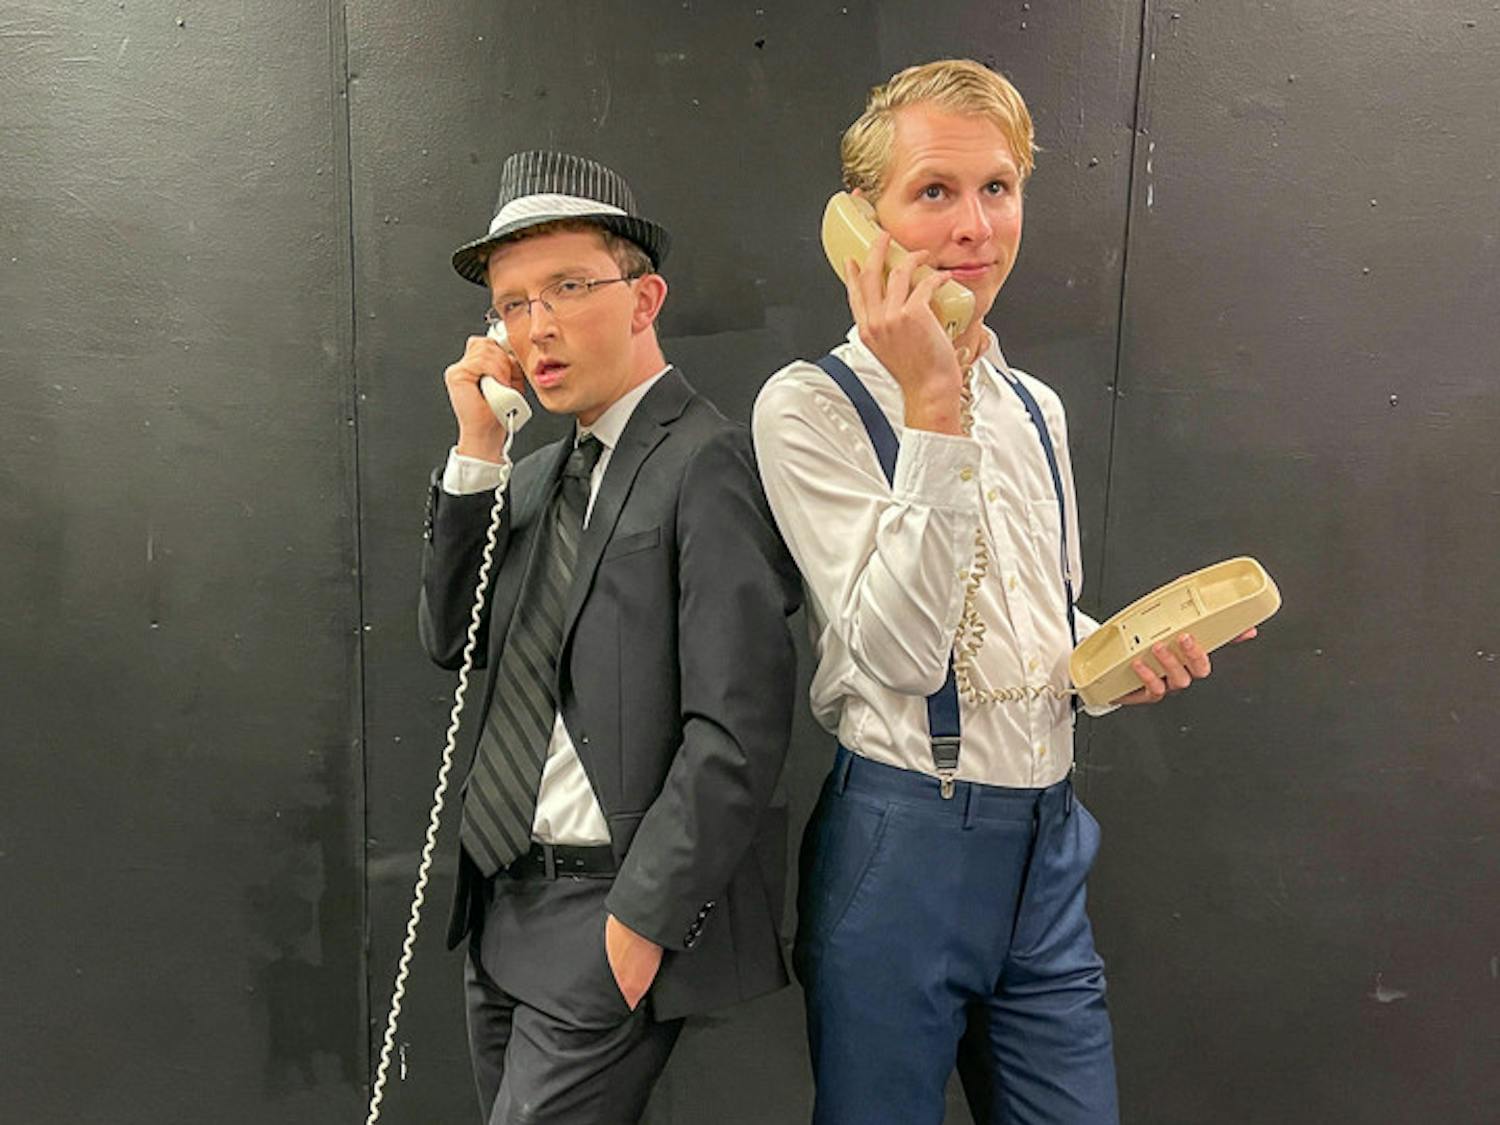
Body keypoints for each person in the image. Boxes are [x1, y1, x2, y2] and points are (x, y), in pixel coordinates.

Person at [752, 60, 1256, 1124]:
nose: (974, 227)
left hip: (1047, 851)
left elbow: (1030, 611)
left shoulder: (1036, 407)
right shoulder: (809, 407)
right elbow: (900, 654)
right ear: (862, 221)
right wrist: (932, 407)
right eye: (934, 191)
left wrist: (1113, 660)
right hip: (902, 845)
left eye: (997, 188)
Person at [420, 149, 801, 1124]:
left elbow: (738, 728)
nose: (536, 325)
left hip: (607, 912)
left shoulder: (705, 462)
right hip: (502, 909)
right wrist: (479, 448)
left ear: (643, 298)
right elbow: (452, 639)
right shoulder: (536, 478)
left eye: (567, 287)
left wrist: (640, 924)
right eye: (512, 304)